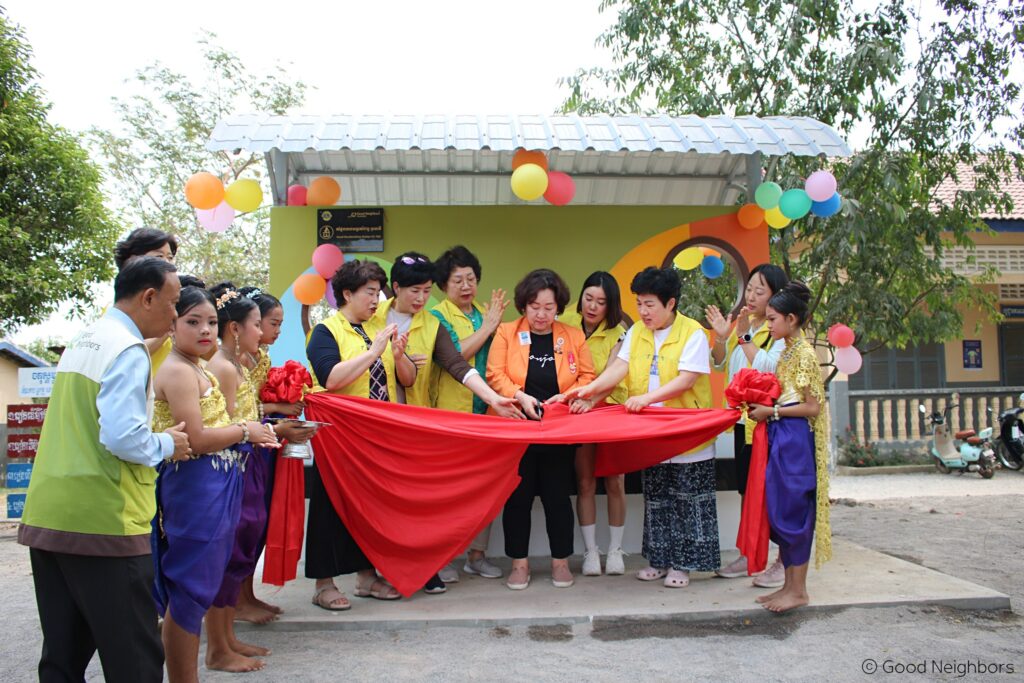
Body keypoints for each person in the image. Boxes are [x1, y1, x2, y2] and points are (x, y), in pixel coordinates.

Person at [18, 257, 190, 683]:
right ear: (147, 297)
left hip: (50, 514)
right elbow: (123, 437)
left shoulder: (86, 338)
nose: (174, 316)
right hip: (104, 520)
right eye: (173, 304)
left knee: (62, 656)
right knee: (134, 659)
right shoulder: (127, 350)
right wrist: (169, 443)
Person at [372, 252, 525, 593]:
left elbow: (457, 365)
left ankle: (427, 564)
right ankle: (383, 569)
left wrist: (492, 399)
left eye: (426, 291)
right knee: (388, 497)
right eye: (415, 291)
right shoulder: (372, 317)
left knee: (426, 496)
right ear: (395, 288)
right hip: (382, 422)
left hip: (419, 423)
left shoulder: (431, 323)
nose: (421, 298)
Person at [151, 284, 277, 680]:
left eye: (209, 321)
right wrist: (245, 431)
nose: (205, 330)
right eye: (193, 322)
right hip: (193, 487)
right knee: (189, 589)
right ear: (171, 325)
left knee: (206, 580)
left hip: (215, 484)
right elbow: (196, 438)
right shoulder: (176, 370)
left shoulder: (197, 367)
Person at [567, 266, 719, 589]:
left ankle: (684, 565)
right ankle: (659, 561)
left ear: (671, 303)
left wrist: (647, 399)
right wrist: (588, 392)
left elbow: (686, 380)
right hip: (651, 434)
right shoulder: (636, 332)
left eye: (650, 304)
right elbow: (618, 369)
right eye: (639, 304)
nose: (643, 311)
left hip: (686, 435)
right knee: (657, 499)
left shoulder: (692, 333)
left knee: (687, 501)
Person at [305, 259, 416, 608]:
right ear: (347, 294)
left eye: (378, 292)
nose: (376, 299)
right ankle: (323, 584)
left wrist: (398, 356)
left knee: (371, 507)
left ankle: (366, 577)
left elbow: (406, 380)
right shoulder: (326, 331)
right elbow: (331, 378)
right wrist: (373, 352)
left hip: (377, 436)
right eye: (369, 292)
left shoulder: (377, 329)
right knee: (329, 506)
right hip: (338, 437)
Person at [486, 268, 595, 590]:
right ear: (523, 305)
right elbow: (494, 374)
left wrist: (568, 396)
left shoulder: (573, 335)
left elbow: (588, 376)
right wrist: (519, 396)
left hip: (558, 429)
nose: (541, 314)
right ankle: (519, 564)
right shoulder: (507, 332)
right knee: (517, 497)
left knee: (557, 496)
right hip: (516, 426)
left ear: (558, 306)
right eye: (535, 307)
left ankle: (560, 562)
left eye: (549, 307)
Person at [204, 282, 286, 668]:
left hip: (245, 464)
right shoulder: (221, 367)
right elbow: (224, 426)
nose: (261, 331)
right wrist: (266, 430)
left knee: (238, 550)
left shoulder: (236, 364)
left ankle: (228, 639)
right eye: (257, 323)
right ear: (235, 328)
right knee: (224, 555)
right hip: (229, 469)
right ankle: (217, 648)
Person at [746, 281, 831, 612]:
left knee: (795, 510)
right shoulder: (788, 350)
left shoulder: (805, 354)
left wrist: (773, 412)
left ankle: (799, 591)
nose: (768, 325)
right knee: (780, 507)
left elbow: (813, 406)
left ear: (791, 319)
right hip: (782, 433)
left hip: (795, 438)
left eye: (772, 319)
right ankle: (788, 586)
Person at [430, 245, 510, 582]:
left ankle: (477, 555)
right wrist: (489, 327)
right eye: (458, 280)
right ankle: (443, 558)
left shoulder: (484, 312)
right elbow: (455, 356)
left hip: (488, 415)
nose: (466, 286)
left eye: (471, 279)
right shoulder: (436, 316)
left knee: (487, 488)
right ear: (443, 285)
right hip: (451, 415)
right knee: (449, 492)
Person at [705, 264, 789, 587]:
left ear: (776, 296)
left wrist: (741, 337)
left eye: (760, 291)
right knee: (747, 491)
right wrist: (721, 338)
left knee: (772, 493)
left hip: (769, 423)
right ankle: (748, 554)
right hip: (744, 422)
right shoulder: (746, 325)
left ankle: (784, 559)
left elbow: (769, 368)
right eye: (750, 288)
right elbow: (718, 363)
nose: (751, 296)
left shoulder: (778, 331)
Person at [234, 286, 307, 621]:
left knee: (258, 523)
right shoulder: (235, 361)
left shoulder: (260, 357)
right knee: (244, 524)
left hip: (263, 447)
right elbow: (240, 409)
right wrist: (278, 408)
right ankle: (235, 601)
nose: (277, 331)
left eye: (280, 324)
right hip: (245, 450)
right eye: (272, 323)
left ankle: (247, 594)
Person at [558, 271, 629, 576]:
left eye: (601, 302)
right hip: (577, 413)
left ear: (610, 305)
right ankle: (590, 552)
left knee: (615, 482)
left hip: (610, 411)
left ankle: (615, 550)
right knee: (585, 482)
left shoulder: (620, 333)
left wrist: (591, 400)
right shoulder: (564, 324)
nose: (592, 306)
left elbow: (612, 377)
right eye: (588, 298)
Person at [113, 227, 179, 365]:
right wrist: (168, 327)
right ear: (133, 259)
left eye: (170, 257)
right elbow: (127, 355)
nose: (167, 263)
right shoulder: (117, 310)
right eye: (159, 256)